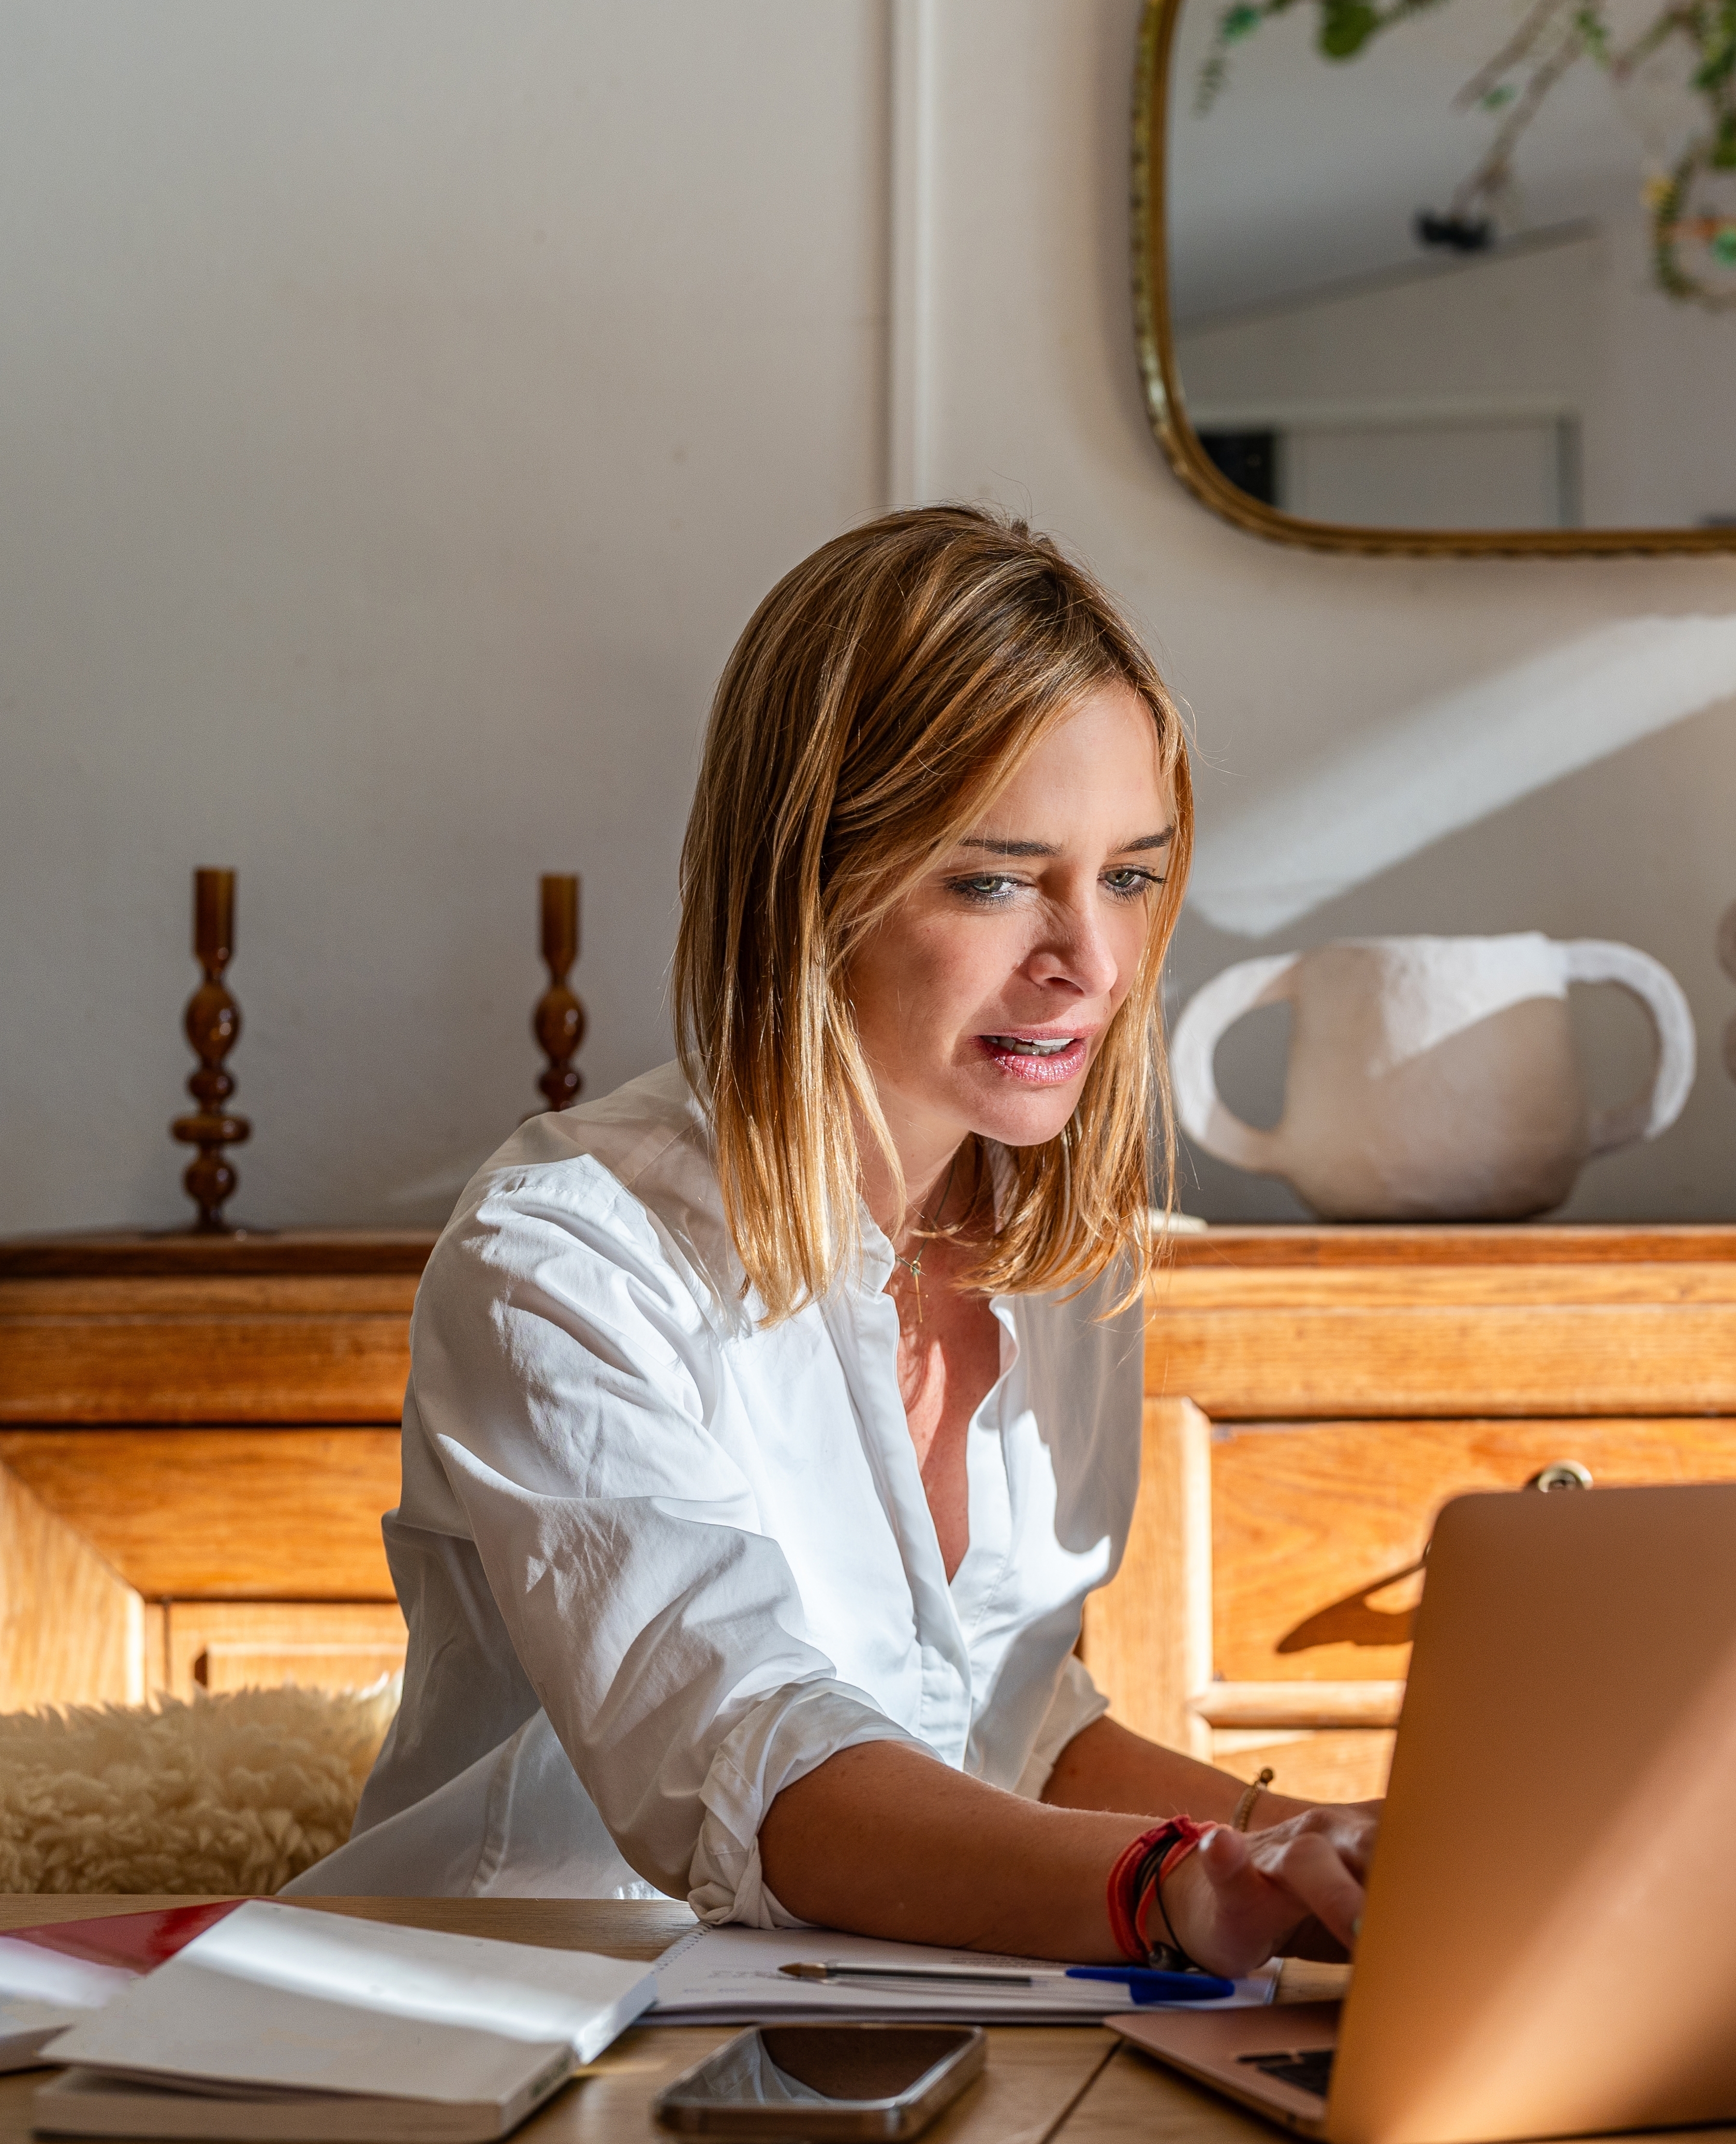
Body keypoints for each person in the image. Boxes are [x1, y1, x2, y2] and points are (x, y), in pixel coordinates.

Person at [291, 508, 1371, 1972]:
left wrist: (1332, 1848)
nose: (1093, 963)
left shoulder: (1066, 1258)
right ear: (814, 884)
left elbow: (1006, 1725)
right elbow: (759, 1768)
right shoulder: (565, 1256)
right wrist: (1170, 1886)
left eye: (1129, 873)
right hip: (526, 2052)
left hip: (894, 2022)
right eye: (995, 880)